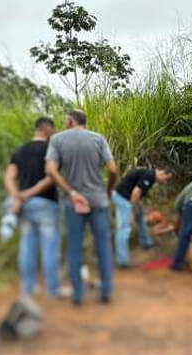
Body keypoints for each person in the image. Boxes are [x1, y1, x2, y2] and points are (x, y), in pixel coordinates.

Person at [45, 110, 117, 306]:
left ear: (70, 121)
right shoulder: (98, 139)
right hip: (98, 200)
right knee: (103, 246)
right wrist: (108, 190)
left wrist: (70, 191)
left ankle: (77, 295)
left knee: (75, 247)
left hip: (73, 202)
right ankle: (106, 292)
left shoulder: (57, 140)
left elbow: (50, 170)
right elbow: (112, 169)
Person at [3, 117, 60, 299]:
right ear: (46, 129)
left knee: (27, 247)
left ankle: (26, 290)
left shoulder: (20, 150)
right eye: (53, 129)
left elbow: (9, 177)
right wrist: (29, 193)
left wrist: (17, 196)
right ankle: (52, 291)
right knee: (49, 248)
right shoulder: (51, 150)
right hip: (46, 204)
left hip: (25, 206)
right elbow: (52, 177)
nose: (54, 133)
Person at [112, 167, 172, 268]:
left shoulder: (150, 176)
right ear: (162, 173)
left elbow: (135, 189)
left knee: (140, 216)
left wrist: (137, 206)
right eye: (166, 179)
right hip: (123, 199)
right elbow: (136, 192)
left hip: (127, 197)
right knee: (124, 228)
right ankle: (122, 261)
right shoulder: (149, 176)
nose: (165, 182)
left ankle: (146, 243)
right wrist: (132, 212)